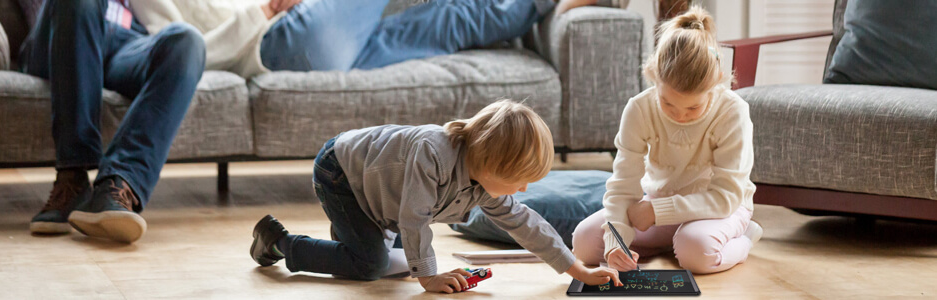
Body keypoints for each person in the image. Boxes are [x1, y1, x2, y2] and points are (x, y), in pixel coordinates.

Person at [250, 100, 621, 293]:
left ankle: (352, 239)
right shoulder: (433, 152)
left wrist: (578, 270)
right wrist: (429, 277)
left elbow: (527, 224)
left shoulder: (484, 183)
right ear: (491, 165)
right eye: (518, 181)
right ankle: (280, 242)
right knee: (372, 266)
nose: (523, 190)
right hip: (342, 173)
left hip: (380, 194)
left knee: (393, 264)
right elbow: (414, 219)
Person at [570, 7, 763, 274]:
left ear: (717, 84)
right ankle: (672, 241)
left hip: (720, 209)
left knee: (696, 253)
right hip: (658, 204)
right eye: (668, 104)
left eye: (693, 108)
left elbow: (725, 197)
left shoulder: (733, 112)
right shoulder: (639, 108)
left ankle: (742, 239)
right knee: (583, 244)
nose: (680, 116)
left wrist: (656, 211)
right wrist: (616, 242)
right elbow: (623, 187)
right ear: (653, 76)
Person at [21, 0, 206, 243]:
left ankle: (118, 183)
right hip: (61, 31)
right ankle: (72, 178)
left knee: (187, 41)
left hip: (124, 39)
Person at [129, 0, 605, 78]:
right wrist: (262, 9)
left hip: (318, 48)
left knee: (449, 20)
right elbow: (191, 52)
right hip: (280, 42)